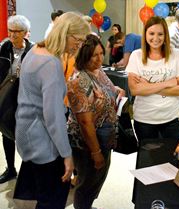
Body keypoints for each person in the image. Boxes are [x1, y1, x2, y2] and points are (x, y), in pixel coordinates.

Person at [14, 12, 90, 209]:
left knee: (41, 192)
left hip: (27, 133)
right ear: (66, 33)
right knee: (53, 199)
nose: (79, 46)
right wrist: (67, 155)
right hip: (43, 141)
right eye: (78, 40)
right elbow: (53, 117)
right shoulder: (51, 63)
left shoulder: (35, 51)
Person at [67, 34, 125, 209]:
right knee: (86, 185)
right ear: (85, 56)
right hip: (87, 144)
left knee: (96, 180)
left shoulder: (97, 70)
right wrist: (96, 152)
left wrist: (117, 90)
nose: (100, 58)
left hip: (103, 136)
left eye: (101, 53)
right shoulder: (78, 81)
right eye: (95, 55)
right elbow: (85, 123)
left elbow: (108, 88)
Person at [126, 16, 179, 147]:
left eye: (160, 34)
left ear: (165, 35)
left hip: (171, 119)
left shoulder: (176, 55)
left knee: (173, 162)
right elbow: (135, 90)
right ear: (145, 34)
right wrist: (168, 83)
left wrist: (147, 87)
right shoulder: (136, 56)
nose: (156, 38)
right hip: (144, 120)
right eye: (151, 33)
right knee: (149, 163)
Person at [0, 15, 33, 184]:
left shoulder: (33, 51)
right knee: (6, 133)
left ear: (27, 33)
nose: (12, 35)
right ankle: (11, 169)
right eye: (10, 31)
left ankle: (28, 174)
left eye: (17, 32)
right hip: (6, 98)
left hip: (25, 100)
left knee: (26, 137)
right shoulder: (3, 48)